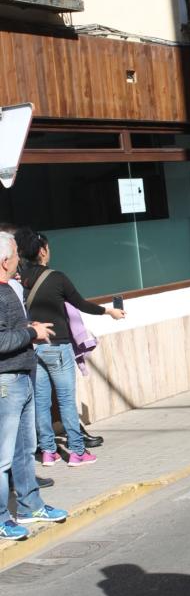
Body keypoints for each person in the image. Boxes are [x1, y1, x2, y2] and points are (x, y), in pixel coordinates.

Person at [15, 228, 126, 467]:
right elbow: (81, 304)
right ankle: (76, 451)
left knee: (42, 401)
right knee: (65, 400)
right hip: (58, 346)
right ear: (43, 251)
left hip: (35, 346)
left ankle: (47, 451)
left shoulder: (21, 279)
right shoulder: (57, 277)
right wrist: (109, 311)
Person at [0, 231, 68, 540]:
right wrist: (31, 334)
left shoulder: (9, 288)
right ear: (5, 260)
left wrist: (28, 330)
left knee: (25, 450)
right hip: (7, 382)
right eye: (15, 254)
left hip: (21, 376)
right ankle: (2, 518)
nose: (19, 260)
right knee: (3, 458)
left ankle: (30, 506)